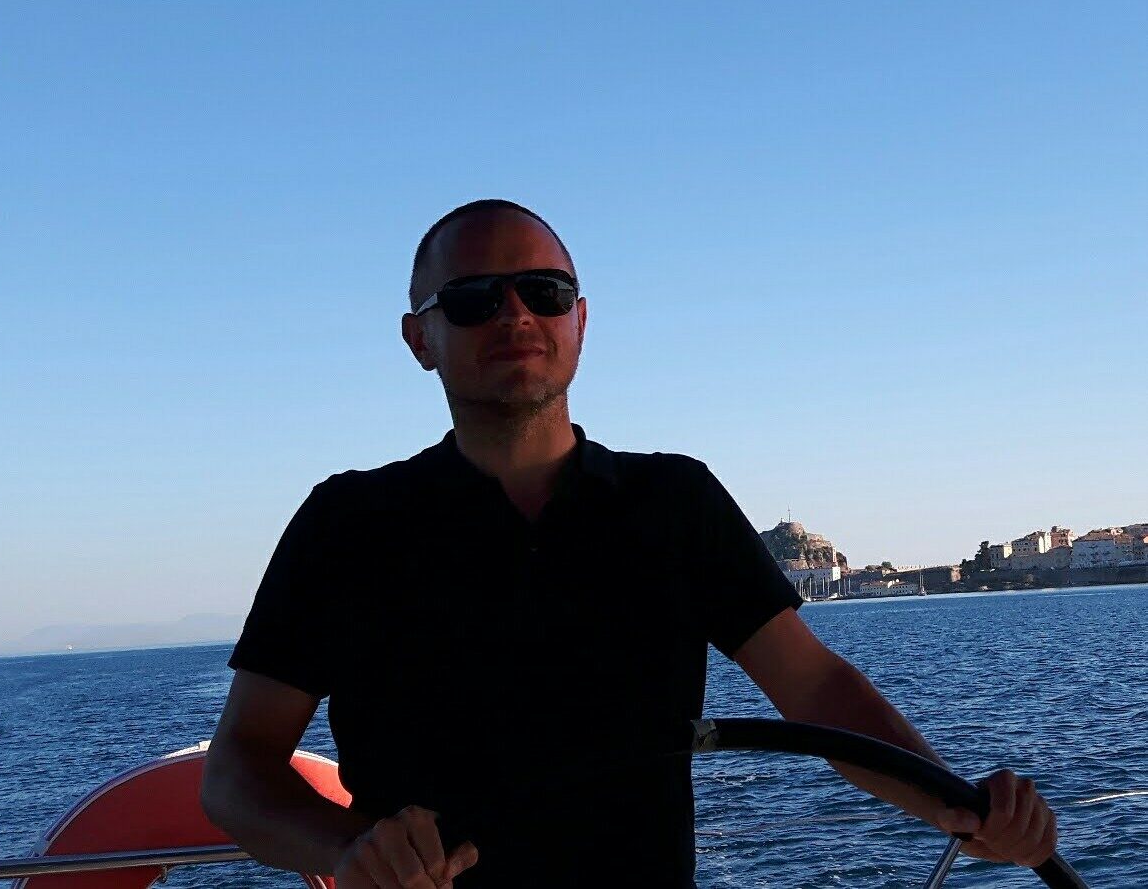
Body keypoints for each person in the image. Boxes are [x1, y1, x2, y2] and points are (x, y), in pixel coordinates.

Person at [201, 200, 1059, 888]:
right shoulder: (349, 522)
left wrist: (955, 807)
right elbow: (238, 767)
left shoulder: (674, 501)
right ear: (419, 337)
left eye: (544, 291)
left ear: (580, 320)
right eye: (473, 298)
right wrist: (350, 847)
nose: (516, 314)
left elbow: (816, 686)